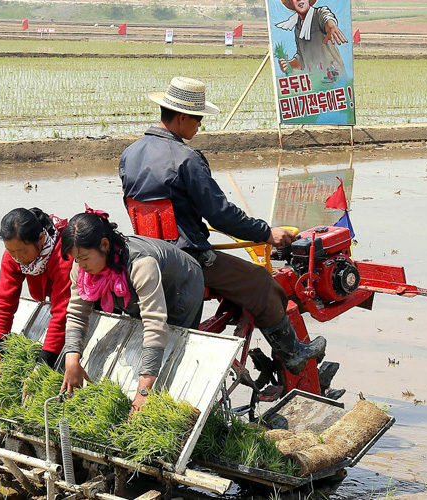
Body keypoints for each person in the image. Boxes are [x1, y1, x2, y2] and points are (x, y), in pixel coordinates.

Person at [118, 77, 326, 375]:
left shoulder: (131, 153)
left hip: (146, 253)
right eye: (198, 119)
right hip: (186, 261)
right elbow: (221, 216)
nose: (200, 126)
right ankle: (292, 353)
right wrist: (267, 233)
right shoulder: (187, 159)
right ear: (181, 117)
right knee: (261, 282)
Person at [59, 207, 204, 413]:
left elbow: (155, 324)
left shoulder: (142, 265)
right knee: (138, 327)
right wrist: (72, 358)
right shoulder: (82, 268)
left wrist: (143, 392)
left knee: (173, 343)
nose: (81, 265)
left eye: (84, 258)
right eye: (76, 259)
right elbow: (76, 311)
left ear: (105, 245)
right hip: (136, 287)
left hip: (181, 287)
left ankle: (162, 405)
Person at [0, 208, 71, 382]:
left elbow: (62, 313)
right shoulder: (14, 255)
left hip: (94, 297)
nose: (17, 258)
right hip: (60, 298)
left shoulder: (63, 256)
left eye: (22, 252)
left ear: (41, 239)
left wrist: (42, 365)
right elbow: (5, 301)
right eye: (11, 251)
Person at [275, 0, 348, 76]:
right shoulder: (298, 27)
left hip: (334, 76)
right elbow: (302, 58)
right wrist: (288, 65)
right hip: (316, 80)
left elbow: (327, 17)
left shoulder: (319, 14)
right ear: (291, 3)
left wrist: (331, 25)